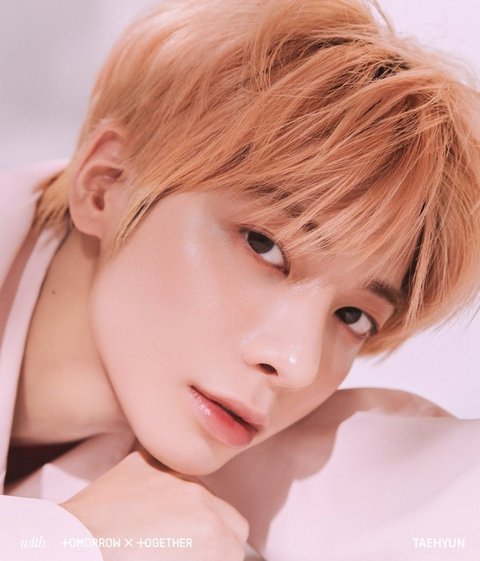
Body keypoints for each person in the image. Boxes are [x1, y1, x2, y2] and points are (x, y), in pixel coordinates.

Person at [1, 0, 480, 560]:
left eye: (353, 317)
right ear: (105, 183)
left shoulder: (236, 473)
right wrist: (70, 539)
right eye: (264, 246)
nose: (296, 364)